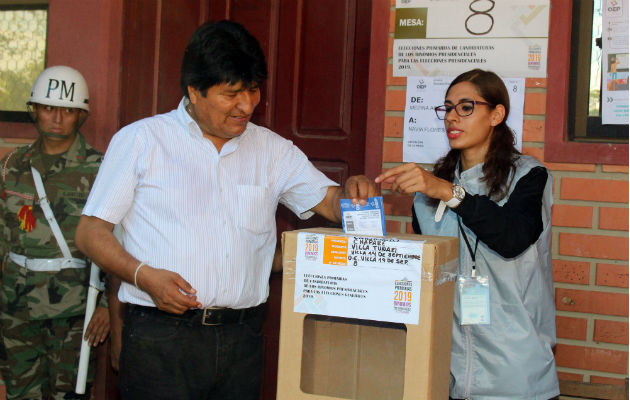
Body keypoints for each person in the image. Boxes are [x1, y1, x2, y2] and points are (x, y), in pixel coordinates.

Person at [74, 20, 377, 399]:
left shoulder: (272, 150)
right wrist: (144, 276)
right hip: (160, 337)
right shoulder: (141, 141)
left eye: (253, 91)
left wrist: (352, 191)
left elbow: (331, 203)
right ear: (193, 91)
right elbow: (90, 232)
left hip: (242, 338)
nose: (247, 105)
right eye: (231, 93)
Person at [376, 69, 559, 399]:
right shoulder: (428, 192)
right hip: (447, 372)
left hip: (515, 372)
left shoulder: (529, 176)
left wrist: (450, 192)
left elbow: (511, 238)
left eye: (466, 107)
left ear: (496, 114)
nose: (451, 117)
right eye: (447, 108)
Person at [0, 66, 111, 399]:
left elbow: (120, 239)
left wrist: (107, 304)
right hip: (15, 309)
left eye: (68, 110)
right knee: (20, 393)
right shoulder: (12, 165)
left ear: (81, 116)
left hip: (74, 313)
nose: (58, 118)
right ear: (34, 110)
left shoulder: (101, 168)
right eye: (49, 107)